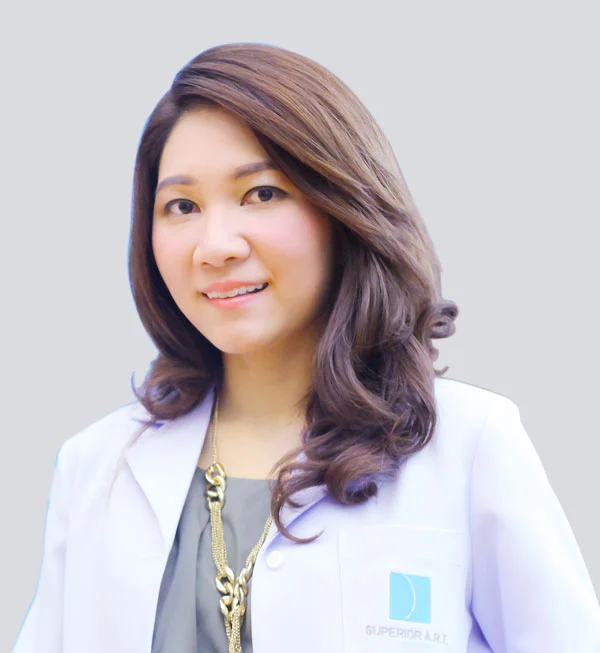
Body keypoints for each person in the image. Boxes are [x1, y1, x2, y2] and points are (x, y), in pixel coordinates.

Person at [13, 42, 600, 653]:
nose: (215, 246)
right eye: (182, 206)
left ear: (343, 207)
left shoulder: (470, 446)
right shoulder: (95, 467)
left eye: (261, 194)